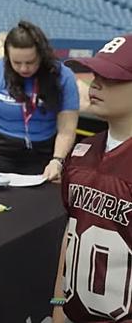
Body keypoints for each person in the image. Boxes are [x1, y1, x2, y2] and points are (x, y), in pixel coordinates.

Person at [53, 34, 132, 323]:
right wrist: (58, 303)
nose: (96, 83)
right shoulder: (80, 153)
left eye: (111, 77)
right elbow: (71, 235)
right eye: (96, 73)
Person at [0, 21, 79, 179]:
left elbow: (67, 129)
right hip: (0, 150)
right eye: (17, 63)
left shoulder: (63, 77)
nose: (24, 69)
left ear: (41, 55)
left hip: (46, 151)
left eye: (30, 62)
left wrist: (57, 160)